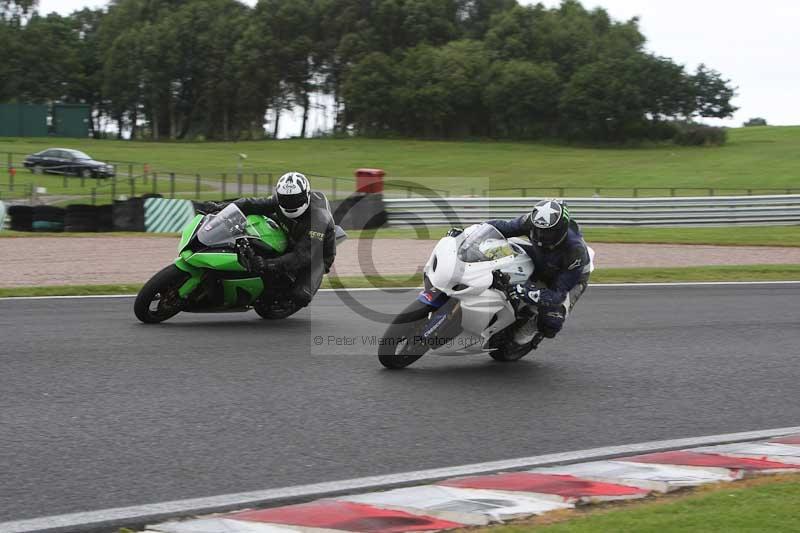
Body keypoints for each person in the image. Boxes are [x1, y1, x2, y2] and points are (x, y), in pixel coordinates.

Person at [205, 172, 336, 308]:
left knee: (301, 296)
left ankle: (280, 299)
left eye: (295, 199)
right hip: (290, 234)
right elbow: (250, 204)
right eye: (286, 199)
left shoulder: (318, 220)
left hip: (315, 254)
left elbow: (301, 256)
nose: (290, 203)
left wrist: (268, 264)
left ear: (306, 196)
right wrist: (221, 207)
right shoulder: (277, 202)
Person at [487, 199, 592, 345]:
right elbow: (503, 227)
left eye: (547, 233)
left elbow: (558, 294)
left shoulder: (575, 250)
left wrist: (529, 293)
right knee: (494, 250)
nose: (541, 235)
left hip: (566, 277)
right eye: (538, 230)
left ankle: (532, 328)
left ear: (560, 230)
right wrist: (471, 231)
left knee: (551, 322)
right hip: (540, 258)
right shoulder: (532, 221)